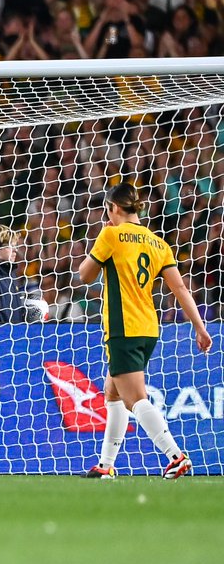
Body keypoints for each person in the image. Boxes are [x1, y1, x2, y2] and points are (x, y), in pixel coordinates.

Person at [78, 183, 213, 480]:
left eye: (107, 210)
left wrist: (101, 244)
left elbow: (84, 275)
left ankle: (175, 456)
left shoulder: (111, 234)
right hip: (149, 328)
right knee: (112, 395)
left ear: (113, 208)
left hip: (123, 328)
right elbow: (179, 288)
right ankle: (106, 465)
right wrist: (200, 328)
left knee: (135, 399)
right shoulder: (157, 243)